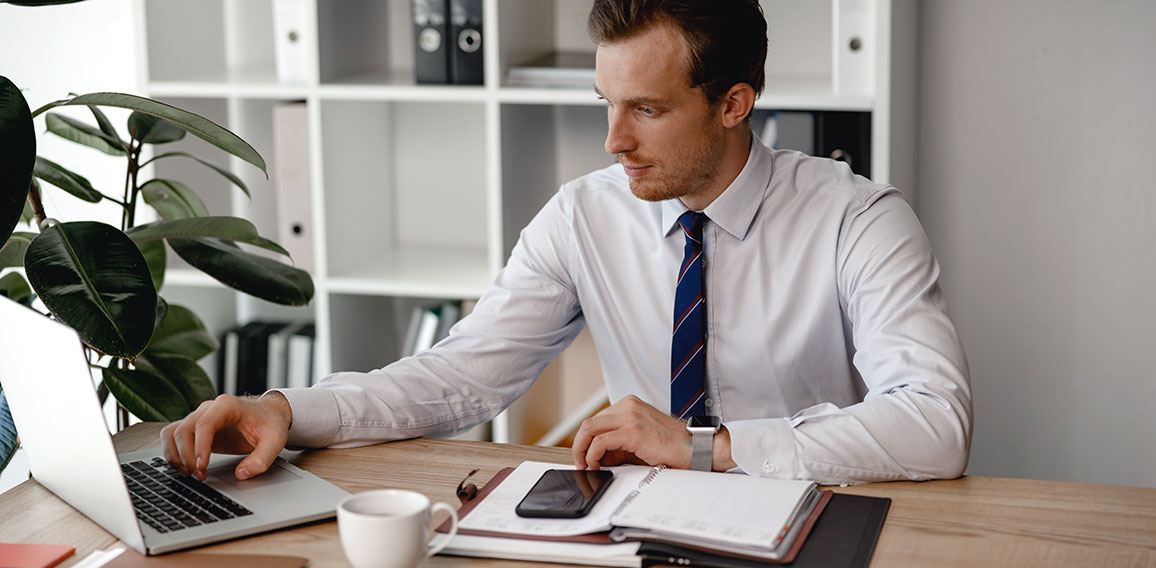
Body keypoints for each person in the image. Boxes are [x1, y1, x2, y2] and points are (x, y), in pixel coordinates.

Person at [162, 0, 971, 486]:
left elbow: (935, 424)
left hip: (811, 516)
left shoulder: (859, 218)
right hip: (640, 527)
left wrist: (702, 448)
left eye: (646, 110)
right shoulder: (583, 217)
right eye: (604, 103)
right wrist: (285, 408)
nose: (613, 141)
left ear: (733, 103)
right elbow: (457, 378)